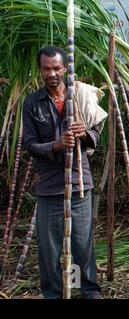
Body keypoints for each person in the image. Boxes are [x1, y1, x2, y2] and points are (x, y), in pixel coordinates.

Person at [23, 46, 107, 299]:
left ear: (66, 69)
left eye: (57, 68)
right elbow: (29, 145)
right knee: (50, 248)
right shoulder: (32, 103)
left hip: (79, 182)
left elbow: (96, 134)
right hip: (49, 187)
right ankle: (54, 293)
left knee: (82, 244)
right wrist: (56, 145)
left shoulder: (80, 97)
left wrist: (85, 134)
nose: (52, 73)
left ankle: (88, 290)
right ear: (41, 71)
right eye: (47, 69)